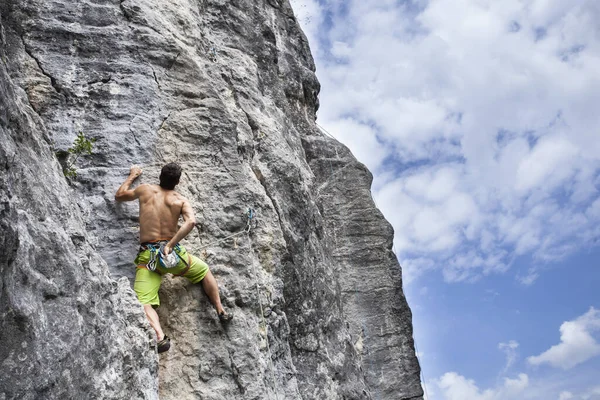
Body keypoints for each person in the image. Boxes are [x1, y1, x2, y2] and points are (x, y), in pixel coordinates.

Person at [115, 163, 232, 353]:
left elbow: (119, 195)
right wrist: (169, 245)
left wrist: (133, 175)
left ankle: (160, 337)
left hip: (149, 258)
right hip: (174, 256)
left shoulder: (145, 190)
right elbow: (191, 221)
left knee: (143, 301)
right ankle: (220, 310)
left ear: (160, 176)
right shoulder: (180, 200)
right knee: (203, 270)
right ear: (177, 182)